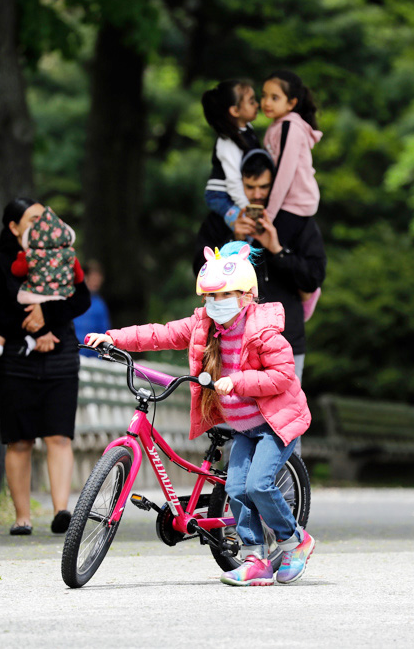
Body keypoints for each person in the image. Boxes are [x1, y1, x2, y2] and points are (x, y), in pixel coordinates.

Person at [84, 241, 316, 586]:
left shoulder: (265, 331)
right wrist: (112, 338)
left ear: (247, 294)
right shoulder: (203, 325)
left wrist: (237, 381)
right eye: (210, 297)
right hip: (243, 429)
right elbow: (160, 334)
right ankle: (256, 559)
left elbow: (282, 376)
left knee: (259, 485)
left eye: (225, 296)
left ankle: (294, 540)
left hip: (274, 424)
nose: (216, 304)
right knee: (236, 490)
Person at [0, 197, 91, 536]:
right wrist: (35, 328)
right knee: (20, 439)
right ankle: (23, 516)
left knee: (59, 435)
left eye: (45, 217)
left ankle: (61, 511)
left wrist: (49, 322)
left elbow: (80, 299)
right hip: (15, 359)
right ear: (14, 227)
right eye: (32, 219)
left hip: (60, 356)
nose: (41, 224)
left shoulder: (62, 256)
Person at [193, 150, 327, 381]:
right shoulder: (219, 221)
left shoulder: (295, 219)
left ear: (275, 184)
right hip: (231, 341)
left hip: (285, 340)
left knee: (282, 415)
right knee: (235, 414)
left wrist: (277, 249)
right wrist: (233, 240)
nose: (257, 195)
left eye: (264, 187)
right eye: (250, 187)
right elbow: (200, 272)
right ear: (237, 184)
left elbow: (314, 277)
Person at [261, 70, 324, 313]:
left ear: (292, 102)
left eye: (275, 97)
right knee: (271, 258)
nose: (266, 102)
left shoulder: (290, 127)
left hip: (293, 204)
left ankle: (307, 294)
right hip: (288, 203)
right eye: (264, 95)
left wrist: (270, 214)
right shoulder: (278, 126)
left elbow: (284, 175)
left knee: (272, 258)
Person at [0, 206, 84, 359]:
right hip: (60, 296)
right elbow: (78, 278)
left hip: (32, 297)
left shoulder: (31, 254)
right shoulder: (70, 255)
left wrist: (44, 313)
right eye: (34, 220)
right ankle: (29, 340)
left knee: (19, 302)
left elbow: (17, 270)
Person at [202, 79, 261, 229]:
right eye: (251, 101)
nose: (257, 104)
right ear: (235, 111)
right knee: (246, 225)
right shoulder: (228, 142)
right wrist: (247, 208)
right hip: (220, 196)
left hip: (234, 192)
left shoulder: (247, 129)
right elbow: (233, 180)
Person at [73, 260, 112, 359]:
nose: (96, 282)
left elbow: (104, 332)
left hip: (91, 359)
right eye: (94, 278)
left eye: (98, 279)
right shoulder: (73, 299)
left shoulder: (100, 305)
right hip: (71, 354)